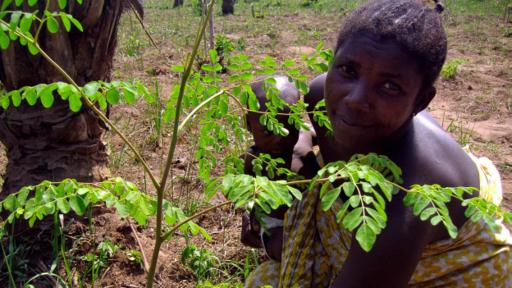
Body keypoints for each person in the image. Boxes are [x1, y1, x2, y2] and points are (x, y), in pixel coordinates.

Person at [246, 1, 512, 287]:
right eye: (347, 70)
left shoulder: (408, 197)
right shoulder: (320, 98)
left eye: (390, 86)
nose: (356, 99)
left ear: (421, 102)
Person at [241, 75, 320, 260]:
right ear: (249, 125)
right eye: (269, 130)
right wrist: (248, 216)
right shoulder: (254, 160)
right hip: (278, 224)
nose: (280, 138)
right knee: (281, 247)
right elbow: (251, 195)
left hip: (312, 216)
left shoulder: (304, 136)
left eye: (289, 126)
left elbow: (332, 139)